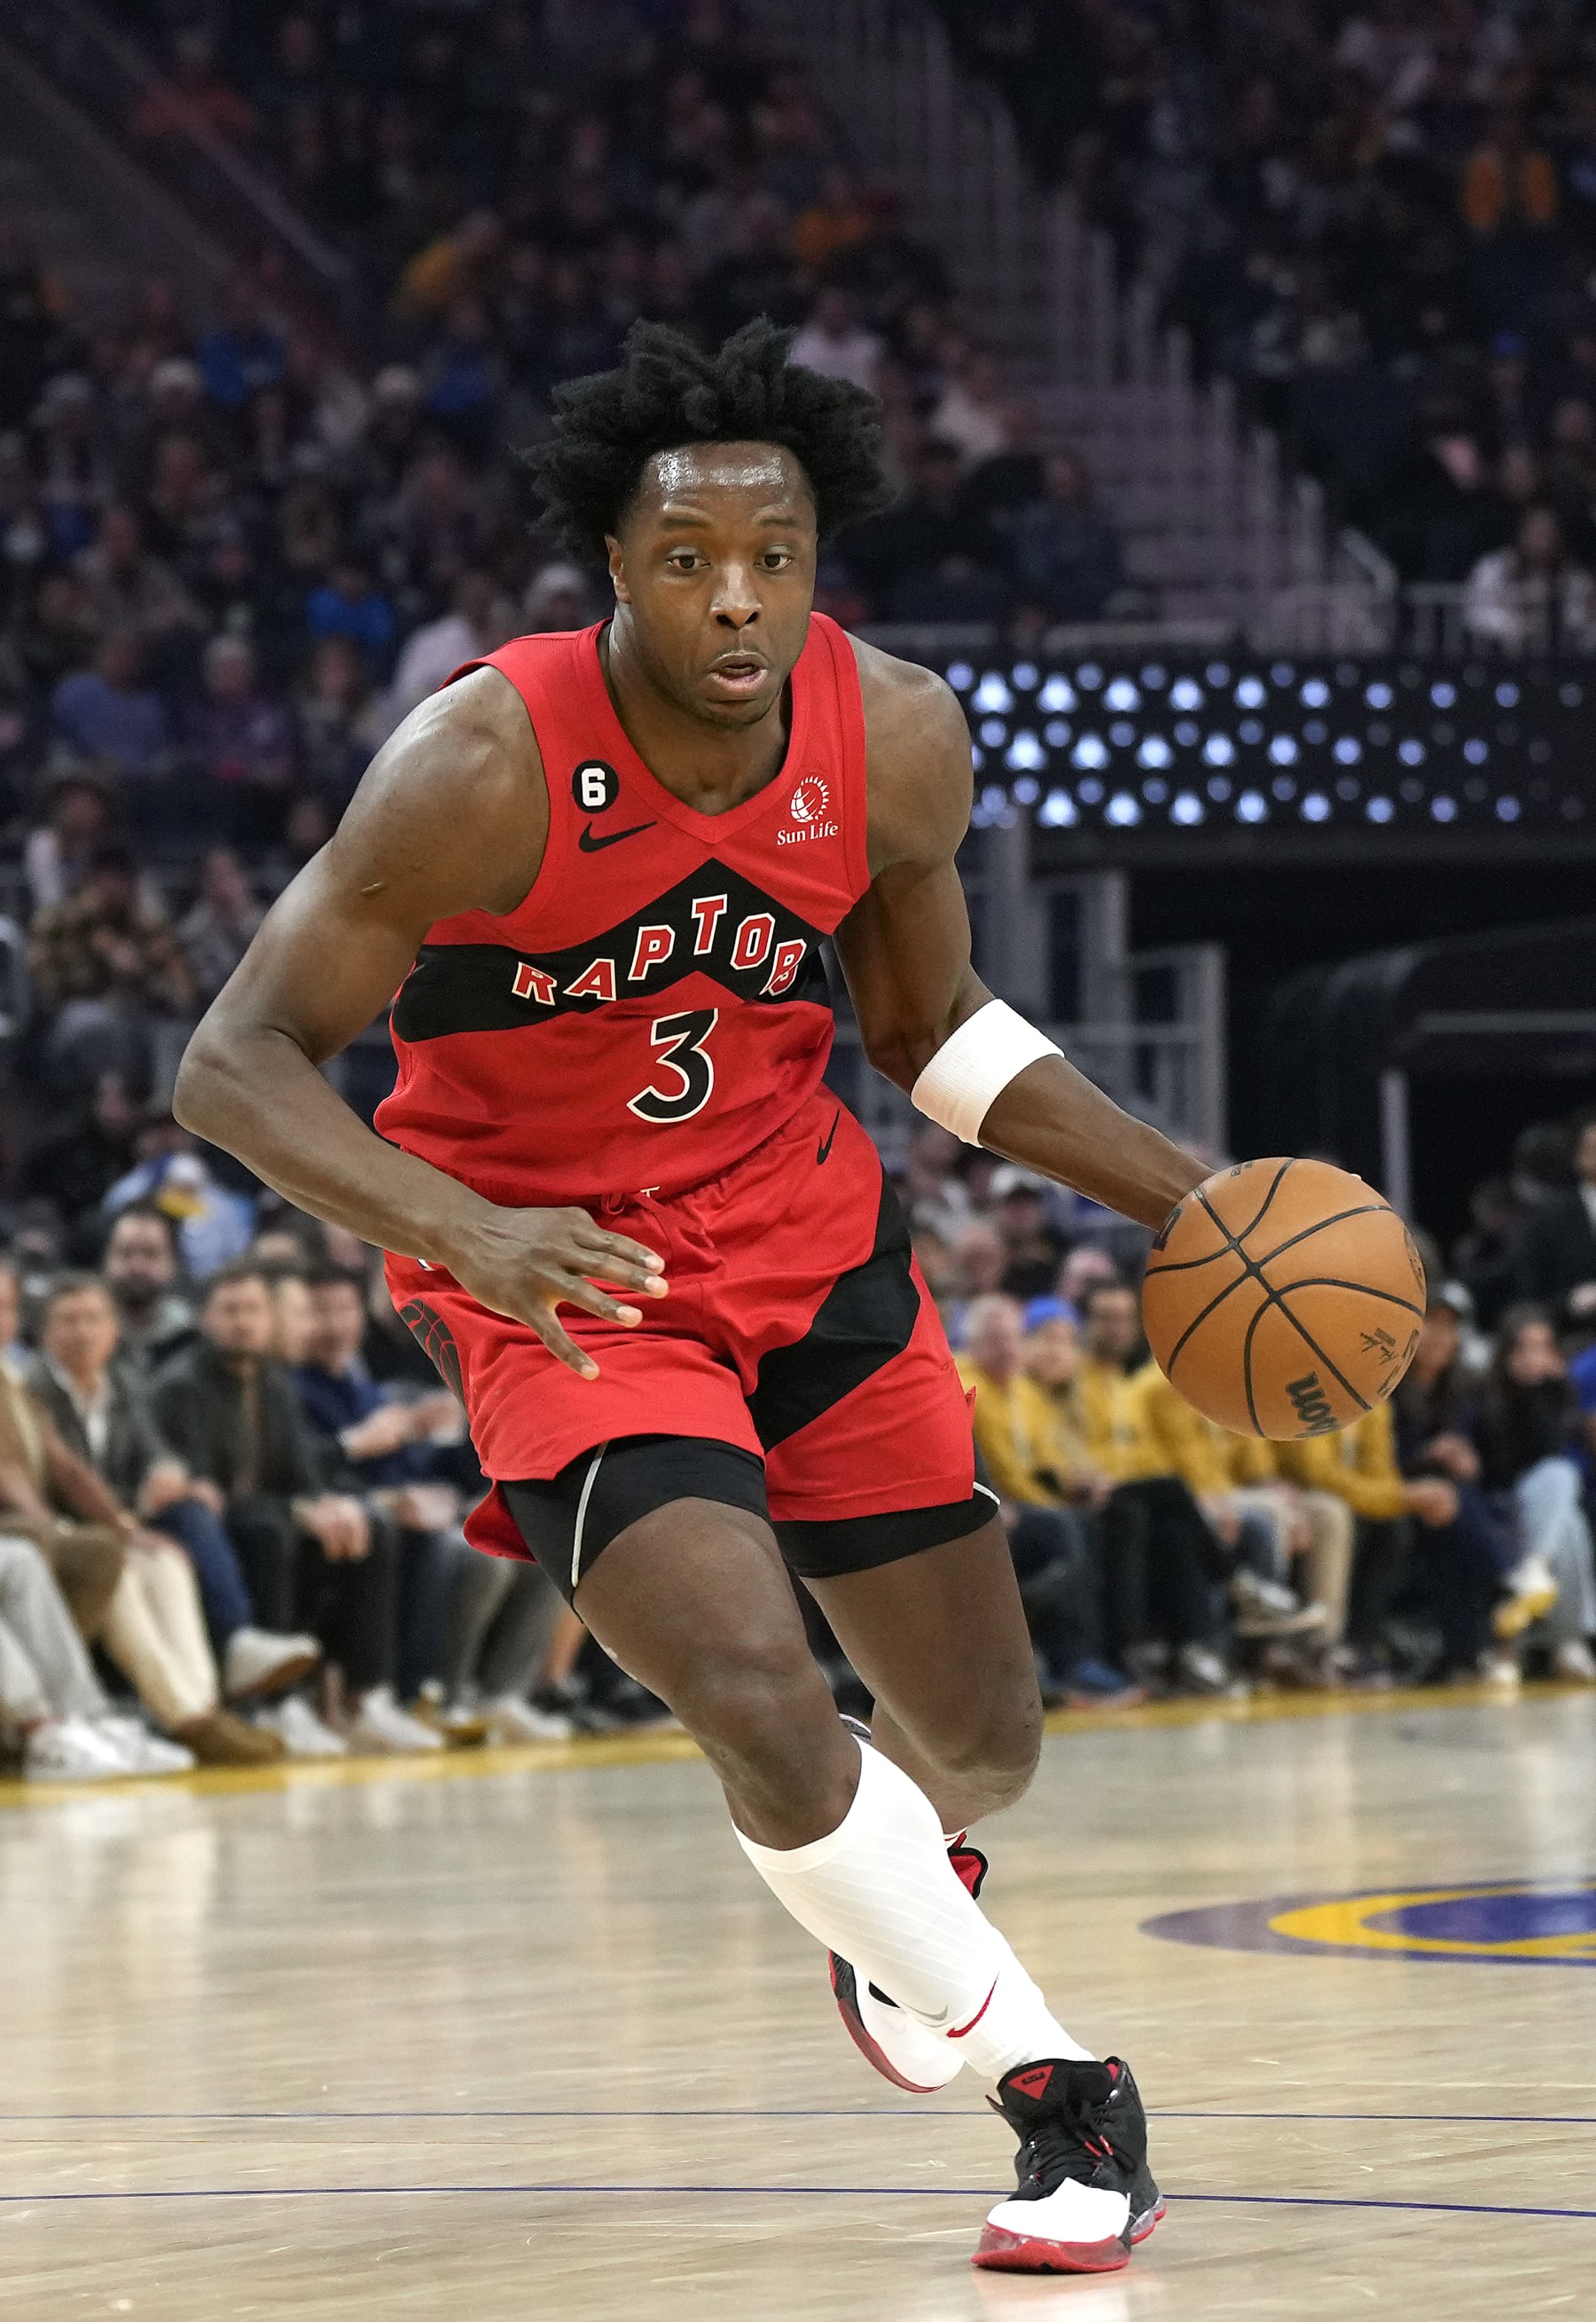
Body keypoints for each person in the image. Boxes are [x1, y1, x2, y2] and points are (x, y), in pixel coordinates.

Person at [174, 319, 1217, 2275]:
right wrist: (462, 1232)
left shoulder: (894, 730)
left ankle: (900, 1897)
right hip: (570, 1286)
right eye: (686, 558)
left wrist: (1193, 1195)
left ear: (818, 560)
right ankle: (1068, 2100)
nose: (734, 593)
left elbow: (931, 1026)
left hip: (809, 1245)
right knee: (752, 1693)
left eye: (775, 552)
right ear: (618, 569)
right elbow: (230, 1064)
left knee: (979, 1739)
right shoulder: (483, 760)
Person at [151, 1263, 438, 1758]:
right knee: (271, 1531)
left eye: (253, 1310)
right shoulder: (181, 1385)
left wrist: (332, 1506)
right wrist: (301, 1509)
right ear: (206, 1318)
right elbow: (206, 1494)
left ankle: (367, 1696)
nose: (243, 1322)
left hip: (271, 1514)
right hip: (219, 1530)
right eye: (230, 1310)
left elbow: (304, 1475)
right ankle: (275, 1702)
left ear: (270, 1319)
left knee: (371, 1526)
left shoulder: (274, 1381)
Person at [32, 1272, 319, 1714]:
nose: (83, 1331)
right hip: (71, 1525)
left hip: (124, 1517)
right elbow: (59, 1487)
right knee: (174, 1542)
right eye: (68, 1320)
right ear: (45, 1333)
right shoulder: (34, 1392)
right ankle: (184, 1701)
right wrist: (138, 1505)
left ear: (113, 1329)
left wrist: (170, 1475)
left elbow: (158, 1455)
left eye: (93, 1318)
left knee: (183, 1530)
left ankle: (205, 1697)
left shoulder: (123, 1383)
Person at [1512, 1110, 1596, 1323]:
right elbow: (1531, 1292)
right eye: (1591, 1148)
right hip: (1574, 1333)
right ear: (1577, 1156)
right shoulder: (1550, 1217)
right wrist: (1571, 1301)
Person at [100, 1201, 196, 1375]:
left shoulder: (193, 1338)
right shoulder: (84, 1332)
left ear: (173, 1263)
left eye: (150, 1254)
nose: (137, 1266)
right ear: (106, 1260)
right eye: (126, 1252)